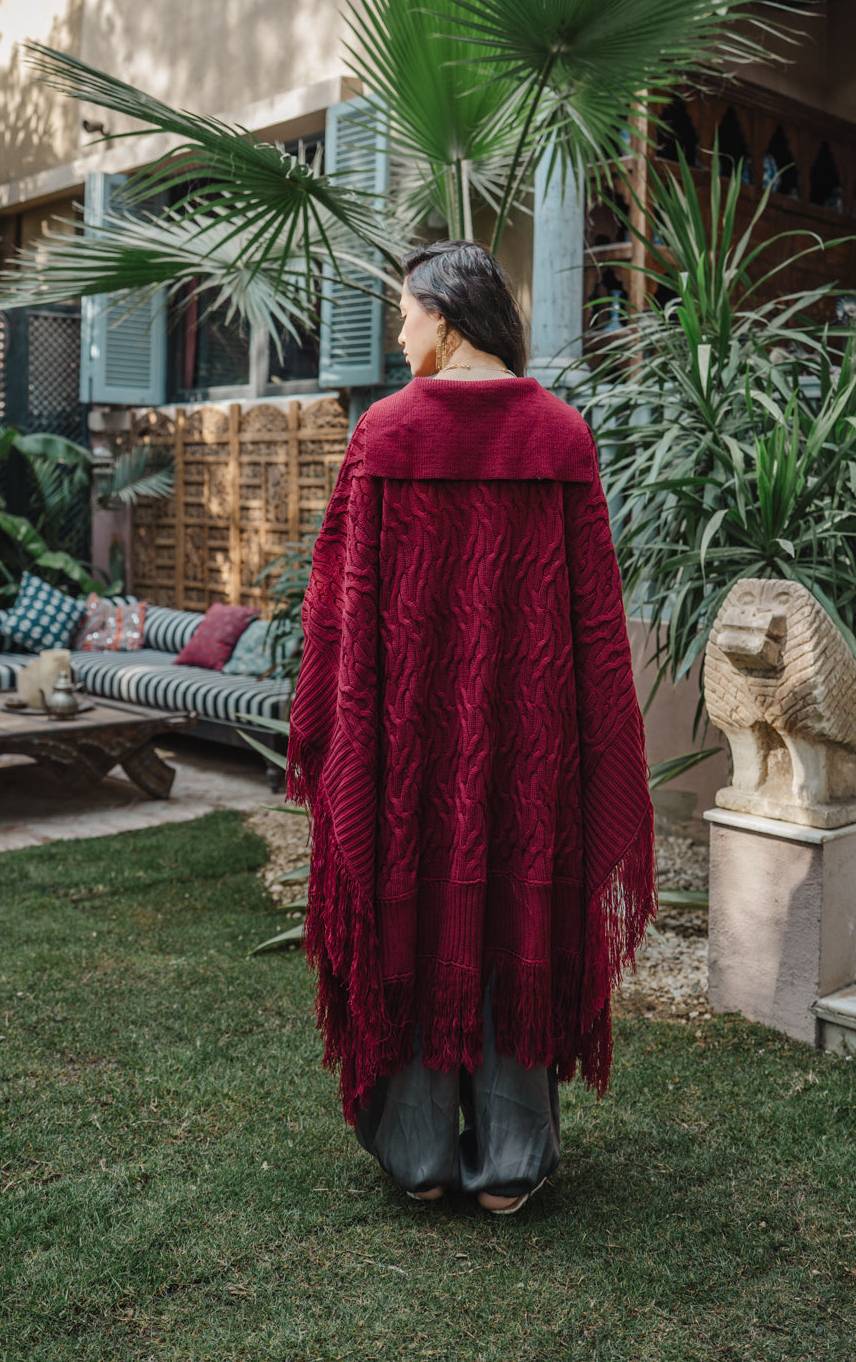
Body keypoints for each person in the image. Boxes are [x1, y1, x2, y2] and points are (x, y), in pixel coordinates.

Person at [287, 240, 653, 1214]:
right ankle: (508, 1165)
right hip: (528, 757)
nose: (399, 330)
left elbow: (340, 611)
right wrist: (580, 742)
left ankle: (419, 1159)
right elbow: (594, 626)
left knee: (409, 903)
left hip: (405, 751)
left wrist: (346, 730)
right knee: (514, 918)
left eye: (405, 312)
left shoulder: (384, 434)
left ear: (445, 318)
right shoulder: (561, 437)